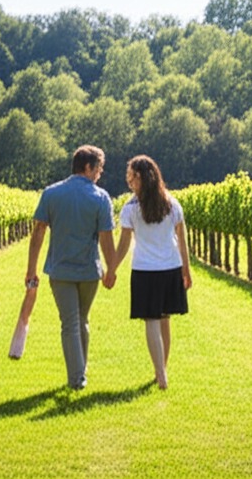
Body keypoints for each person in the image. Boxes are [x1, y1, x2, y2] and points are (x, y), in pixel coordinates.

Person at [26, 145, 116, 390]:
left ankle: (77, 377)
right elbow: (106, 238)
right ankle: (79, 374)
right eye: (98, 168)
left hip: (61, 270)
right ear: (87, 167)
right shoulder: (101, 198)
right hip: (89, 271)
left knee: (71, 323)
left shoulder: (51, 194)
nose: (100, 173)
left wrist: (31, 269)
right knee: (81, 320)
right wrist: (112, 269)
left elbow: (38, 232)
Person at [106, 155, 191, 390]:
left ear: (140, 177)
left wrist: (112, 269)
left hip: (145, 270)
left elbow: (123, 244)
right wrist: (186, 270)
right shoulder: (172, 204)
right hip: (171, 268)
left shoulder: (131, 208)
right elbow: (182, 240)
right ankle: (161, 371)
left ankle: (161, 374)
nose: (129, 182)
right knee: (165, 319)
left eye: (130, 177)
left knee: (152, 320)